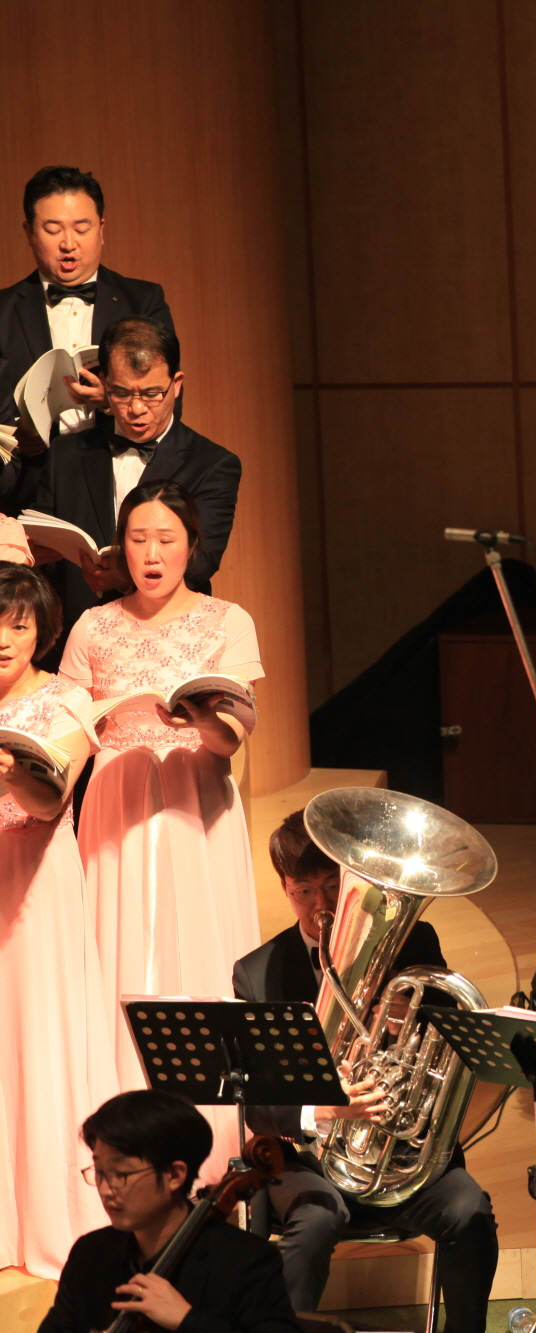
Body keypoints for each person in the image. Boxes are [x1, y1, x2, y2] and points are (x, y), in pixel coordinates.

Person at [230, 810, 499, 1327]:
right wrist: (326, 1109)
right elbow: (258, 1105)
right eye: (303, 891)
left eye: (333, 887)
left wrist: (403, 1026)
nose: (322, 905)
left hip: (401, 1153)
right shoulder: (258, 972)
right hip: (308, 1163)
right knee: (313, 1225)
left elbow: (455, 1048)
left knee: (470, 1211)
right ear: (284, 889)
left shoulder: (414, 943)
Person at [62, 481, 262, 1108]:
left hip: (195, 799)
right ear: (120, 547)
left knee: (203, 942)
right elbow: (69, 729)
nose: (151, 554)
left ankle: (212, 1108)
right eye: (138, 539)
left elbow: (230, 739)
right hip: (115, 801)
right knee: (115, 946)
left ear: (191, 545)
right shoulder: (92, 625)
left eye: (166, 539)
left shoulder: (228, 620)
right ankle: (121, 1104)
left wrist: (200, 720)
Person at [0, 555, 121, 1277]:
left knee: (38, 1038)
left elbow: (50, 802)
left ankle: (51, 1219)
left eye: (19, 626)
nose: (4, 639)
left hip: (36, 888)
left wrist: (15, 767)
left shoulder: (66, 700)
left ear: (42, 630)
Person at [28, 316, 240, 642]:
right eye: (122, 393)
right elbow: (43, 542)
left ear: (177, 384)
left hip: (171, 639)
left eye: (152, 393)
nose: (136, 408)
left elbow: (201, 563)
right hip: (73, 637)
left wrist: (123, 576)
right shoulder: (65, 455)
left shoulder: (211, 463)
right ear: (104, 383)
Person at [38, 1090, 298, 1333]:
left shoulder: (246, 1261)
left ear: (174, 1175)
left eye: (120, 1174)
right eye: (99, 1172)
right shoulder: (91, 1253)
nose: (105, 1189)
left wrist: (187, 1320)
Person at [1, 166, 175, 512]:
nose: (69, 244)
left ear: (101, 229)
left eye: (82, 228)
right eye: (53, 229)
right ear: (29, 232)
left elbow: (170, 402)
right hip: (28, 494)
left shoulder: (142, 302)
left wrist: (112, 400)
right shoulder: (3, 312)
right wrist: (14, 439)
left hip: (124, 488)